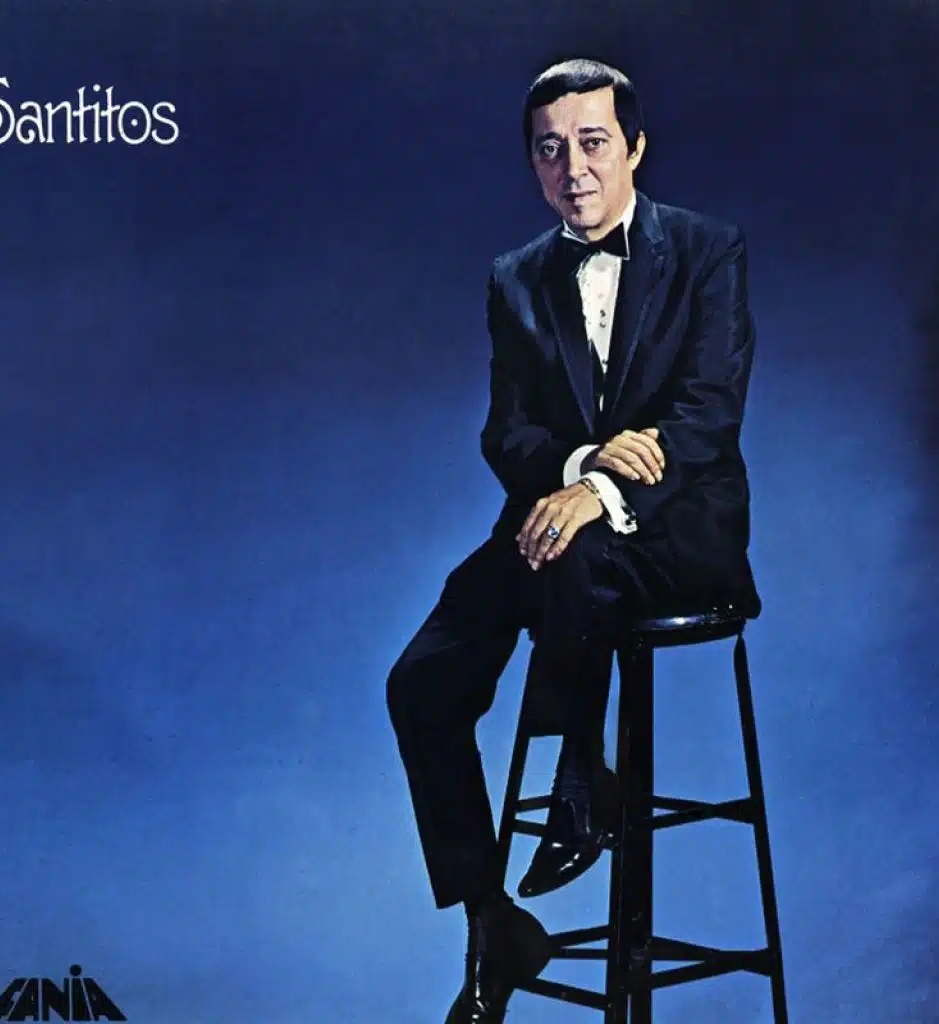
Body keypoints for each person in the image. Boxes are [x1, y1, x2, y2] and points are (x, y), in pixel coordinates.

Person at [386, 57, 762, 1024]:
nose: (573, 169)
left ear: (635, 147)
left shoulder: (708, 249)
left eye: (593, 143)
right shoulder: (515, 278)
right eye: (550, 151)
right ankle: (492, 921)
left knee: (580, 556)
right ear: (533, 164)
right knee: (420, 681)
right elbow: (505, 434)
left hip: (677, 531)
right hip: (557, 531)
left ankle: (581, 772)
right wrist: (582, 463)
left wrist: (602, 492)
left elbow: (708, 415)